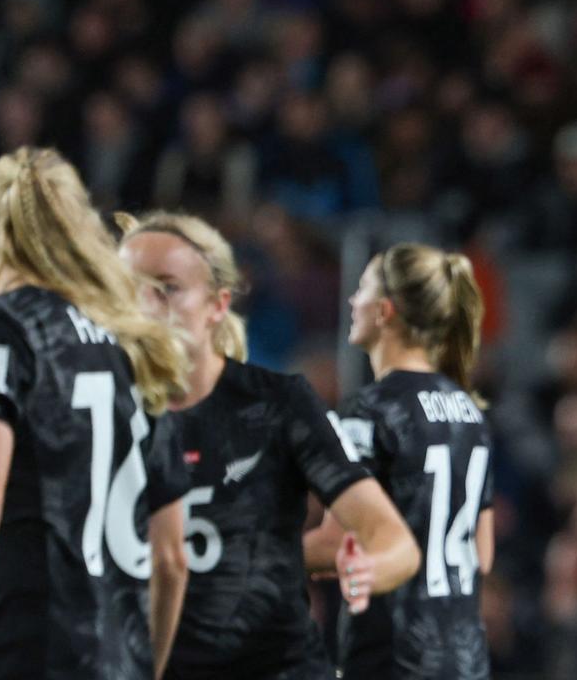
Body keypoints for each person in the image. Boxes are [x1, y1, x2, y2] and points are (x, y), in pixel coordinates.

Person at [0, 147, 193, 680]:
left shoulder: (0, 327)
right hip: (120, 657)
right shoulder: (139, 344)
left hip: (28, 646)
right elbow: (172, 557)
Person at [116, 211, 421, 680]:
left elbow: (389, 537)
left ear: (218, 305)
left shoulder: (277, 404)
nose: (148, 306)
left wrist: (369, 569)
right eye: (132, 288)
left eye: (169, 288)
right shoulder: (105, 412)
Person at [303, 243, 494, 680]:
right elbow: (481, 554)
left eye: (362, 289)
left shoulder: (369, 411)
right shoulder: (470, 412)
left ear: (385, 311)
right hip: (464, 659)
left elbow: (336, 543)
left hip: (393, 654)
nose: (353, 301)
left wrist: (250, 556)